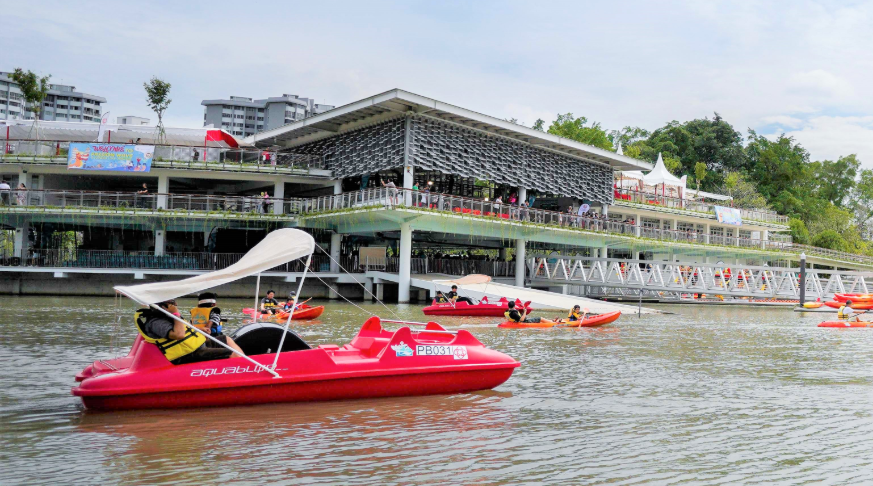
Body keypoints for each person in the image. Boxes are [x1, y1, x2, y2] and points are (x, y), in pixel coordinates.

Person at [136, 299, 245, 365]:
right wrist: (176, 313)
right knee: (230, 352)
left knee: (225, 339)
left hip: (193, 346)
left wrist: (198, 329)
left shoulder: (167, 317)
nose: (175, 305)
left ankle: (246, 362)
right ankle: (243, 371)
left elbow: (184, 327)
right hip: (185, 354)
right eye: (172, 303)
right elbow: (179, 334)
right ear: (163, 306)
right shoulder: (156, 322)